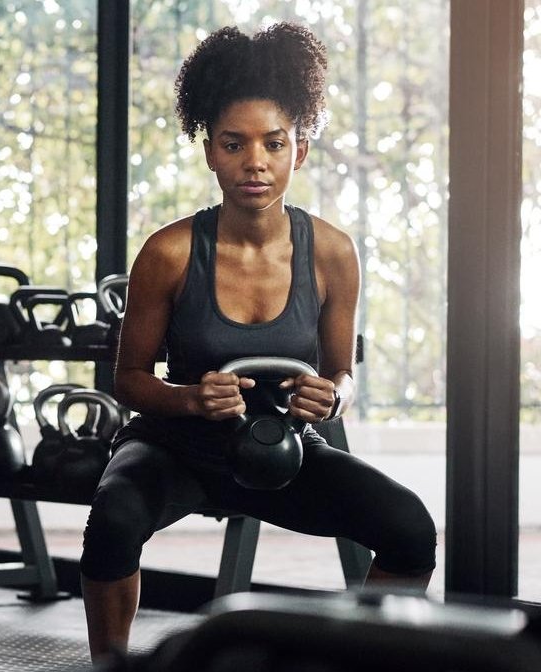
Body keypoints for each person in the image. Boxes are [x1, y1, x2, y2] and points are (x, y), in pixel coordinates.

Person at [78, 23, 437, 661]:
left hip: (283, 451)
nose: (255, 162)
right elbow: (127, 379)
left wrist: (329, 399)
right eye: (234, 143)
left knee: (410, 529)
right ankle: (111, 665)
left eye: (274, 144)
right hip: (177, 450)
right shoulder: (169, 252)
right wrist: (190, 399)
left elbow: (342, 378)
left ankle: (361, 658)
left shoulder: (331, 252)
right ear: (210, 151)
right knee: (112, 522)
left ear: (299, 150)